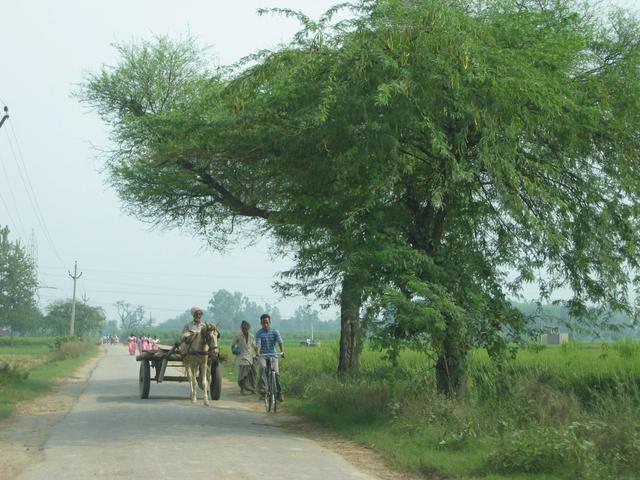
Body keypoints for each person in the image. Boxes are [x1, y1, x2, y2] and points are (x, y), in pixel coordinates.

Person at [255, 313, 285, 402]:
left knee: (276, 372)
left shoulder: (275, 332)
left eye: (267, 322)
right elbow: (258, 344)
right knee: (263, 367)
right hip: (263, 355)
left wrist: (282, 352)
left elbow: (280, 342)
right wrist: (257, 353)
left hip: (273, 355)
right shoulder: (259, 333)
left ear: (270, 322)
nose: (265, 325)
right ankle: (263, 389)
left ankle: (279, 393)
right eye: (263, 323)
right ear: (261, 323)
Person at [231, 321, 257, 395]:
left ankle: (252, 389)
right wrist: (234, 351)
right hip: (242, 357)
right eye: (243, 328)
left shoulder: (251, 336)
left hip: (251, 357)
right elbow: (233, 345)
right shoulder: (238, 336)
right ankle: (242, 389)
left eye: (246, 328)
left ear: (248, 328)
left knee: (253, 374)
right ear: (241, 328)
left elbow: (255, 347)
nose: (244, 329)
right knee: (243, 375)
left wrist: (257, 353)